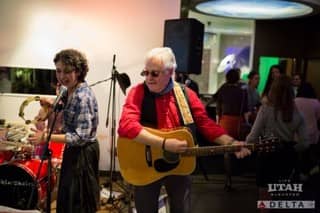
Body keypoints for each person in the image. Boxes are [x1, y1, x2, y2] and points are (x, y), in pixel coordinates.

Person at [117, 47, 251, 213]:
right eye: (146, 73)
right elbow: (126, 126)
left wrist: (230, 142)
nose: (149, 78)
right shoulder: (138, 92)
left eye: (155, 73)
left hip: (179, 164)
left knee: (181, 208)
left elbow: (205, 124)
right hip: (146, 165)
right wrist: (164, 143)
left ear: (170, 71)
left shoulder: (186, 94)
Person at [28, 49, 100, 213]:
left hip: (83, 152)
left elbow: (80, 137)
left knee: (78, 202)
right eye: (59, 70)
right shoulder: (67, 89)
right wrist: (49, 105)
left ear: (79, 71)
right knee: (67, 197)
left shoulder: (83, 97)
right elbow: (63, 105)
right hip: (73, 150)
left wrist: (46, 137)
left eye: (67, 71)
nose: (62, 76)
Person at [246, 75, 309, 204]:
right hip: (287, 160)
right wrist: (290, 149)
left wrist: (254, 144)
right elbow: (305, 143)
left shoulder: (265, 110)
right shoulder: (297, 114)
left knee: (265, 200)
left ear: (272, 91)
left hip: (267, 158)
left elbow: (251, 139)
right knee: (282, 200)